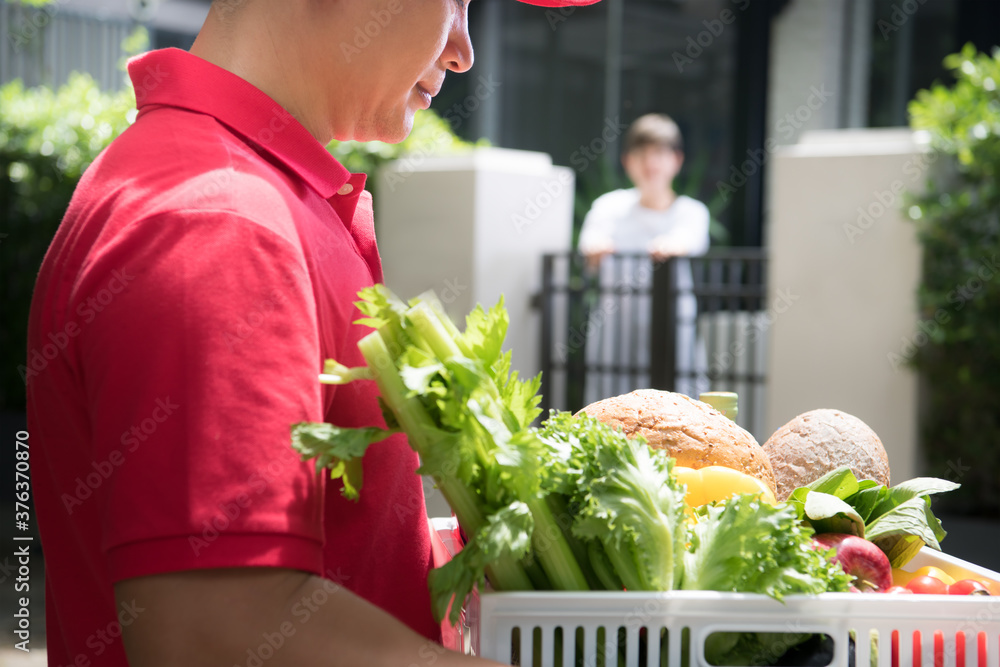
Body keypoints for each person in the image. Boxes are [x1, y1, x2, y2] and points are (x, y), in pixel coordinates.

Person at [24, 1, 597, 665]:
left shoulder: (229, 189)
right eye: (459, 2)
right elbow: (218, 629)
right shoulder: (220, 219)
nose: (464, 50)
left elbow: (310, 570)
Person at [577, 113, 710, 402]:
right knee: (610, 411)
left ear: (676, 160)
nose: (651, 164)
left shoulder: (692, 212)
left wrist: (672, 246)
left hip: (673, 336)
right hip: (615, 336)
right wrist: (595, 250)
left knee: (678, 413)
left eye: (660, 154)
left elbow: (689, 241)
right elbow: (588, 249)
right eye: (642, 154)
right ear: (628, 161)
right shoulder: (608, 207)